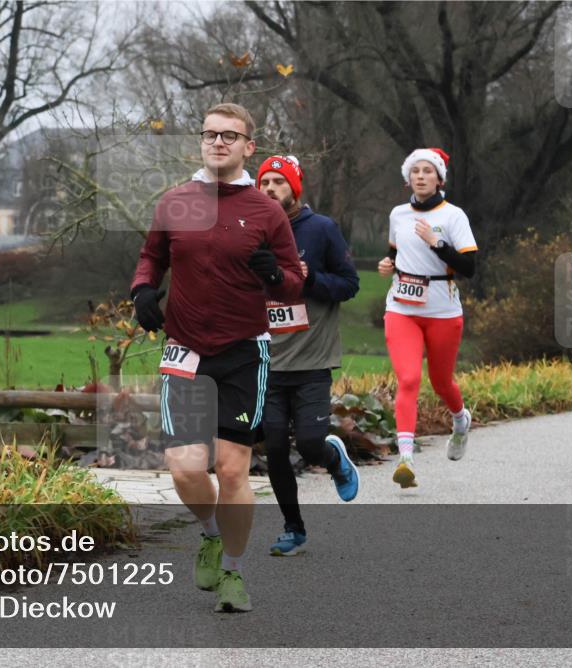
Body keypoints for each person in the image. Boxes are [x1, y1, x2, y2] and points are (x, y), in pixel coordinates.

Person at [131, 103, 305, 612]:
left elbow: (294, 282)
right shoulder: (176, 201)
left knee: (232, 470)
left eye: (230, 136)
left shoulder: (268, 210)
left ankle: (233, 571)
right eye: (210, 134)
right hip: (186, 348)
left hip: (244, 352)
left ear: (249, 147)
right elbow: (151, 257)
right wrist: (144, 290)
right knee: (184, 468)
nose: (218, 142)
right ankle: (209, 533)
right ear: (201, 142)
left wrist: (274, 274)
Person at [256, 155, 361, 556]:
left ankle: (334, 458)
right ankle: (293, 529)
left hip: (312, 360)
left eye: (278, 183)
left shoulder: (321, 230)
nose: (269, 189)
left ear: (295, 189)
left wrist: (310, 278)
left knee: (312, 442)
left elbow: (350, 284)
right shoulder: (253, 232)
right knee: (277, 447)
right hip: (269, 362)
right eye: (263, 182)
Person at [376, 148, 477, 488]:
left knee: (441, 381)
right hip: (401, 307)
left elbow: (469, 268)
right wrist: (387, 263)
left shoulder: (453, 216)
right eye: (414, 171)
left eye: (427, 171)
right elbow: (395, 250)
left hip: (442, 310)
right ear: (408, 178)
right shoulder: (398, 214)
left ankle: (460, 420)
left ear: (439, 179)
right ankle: (405, 458)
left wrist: (437, 243)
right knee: (407, 380)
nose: (420, 176)